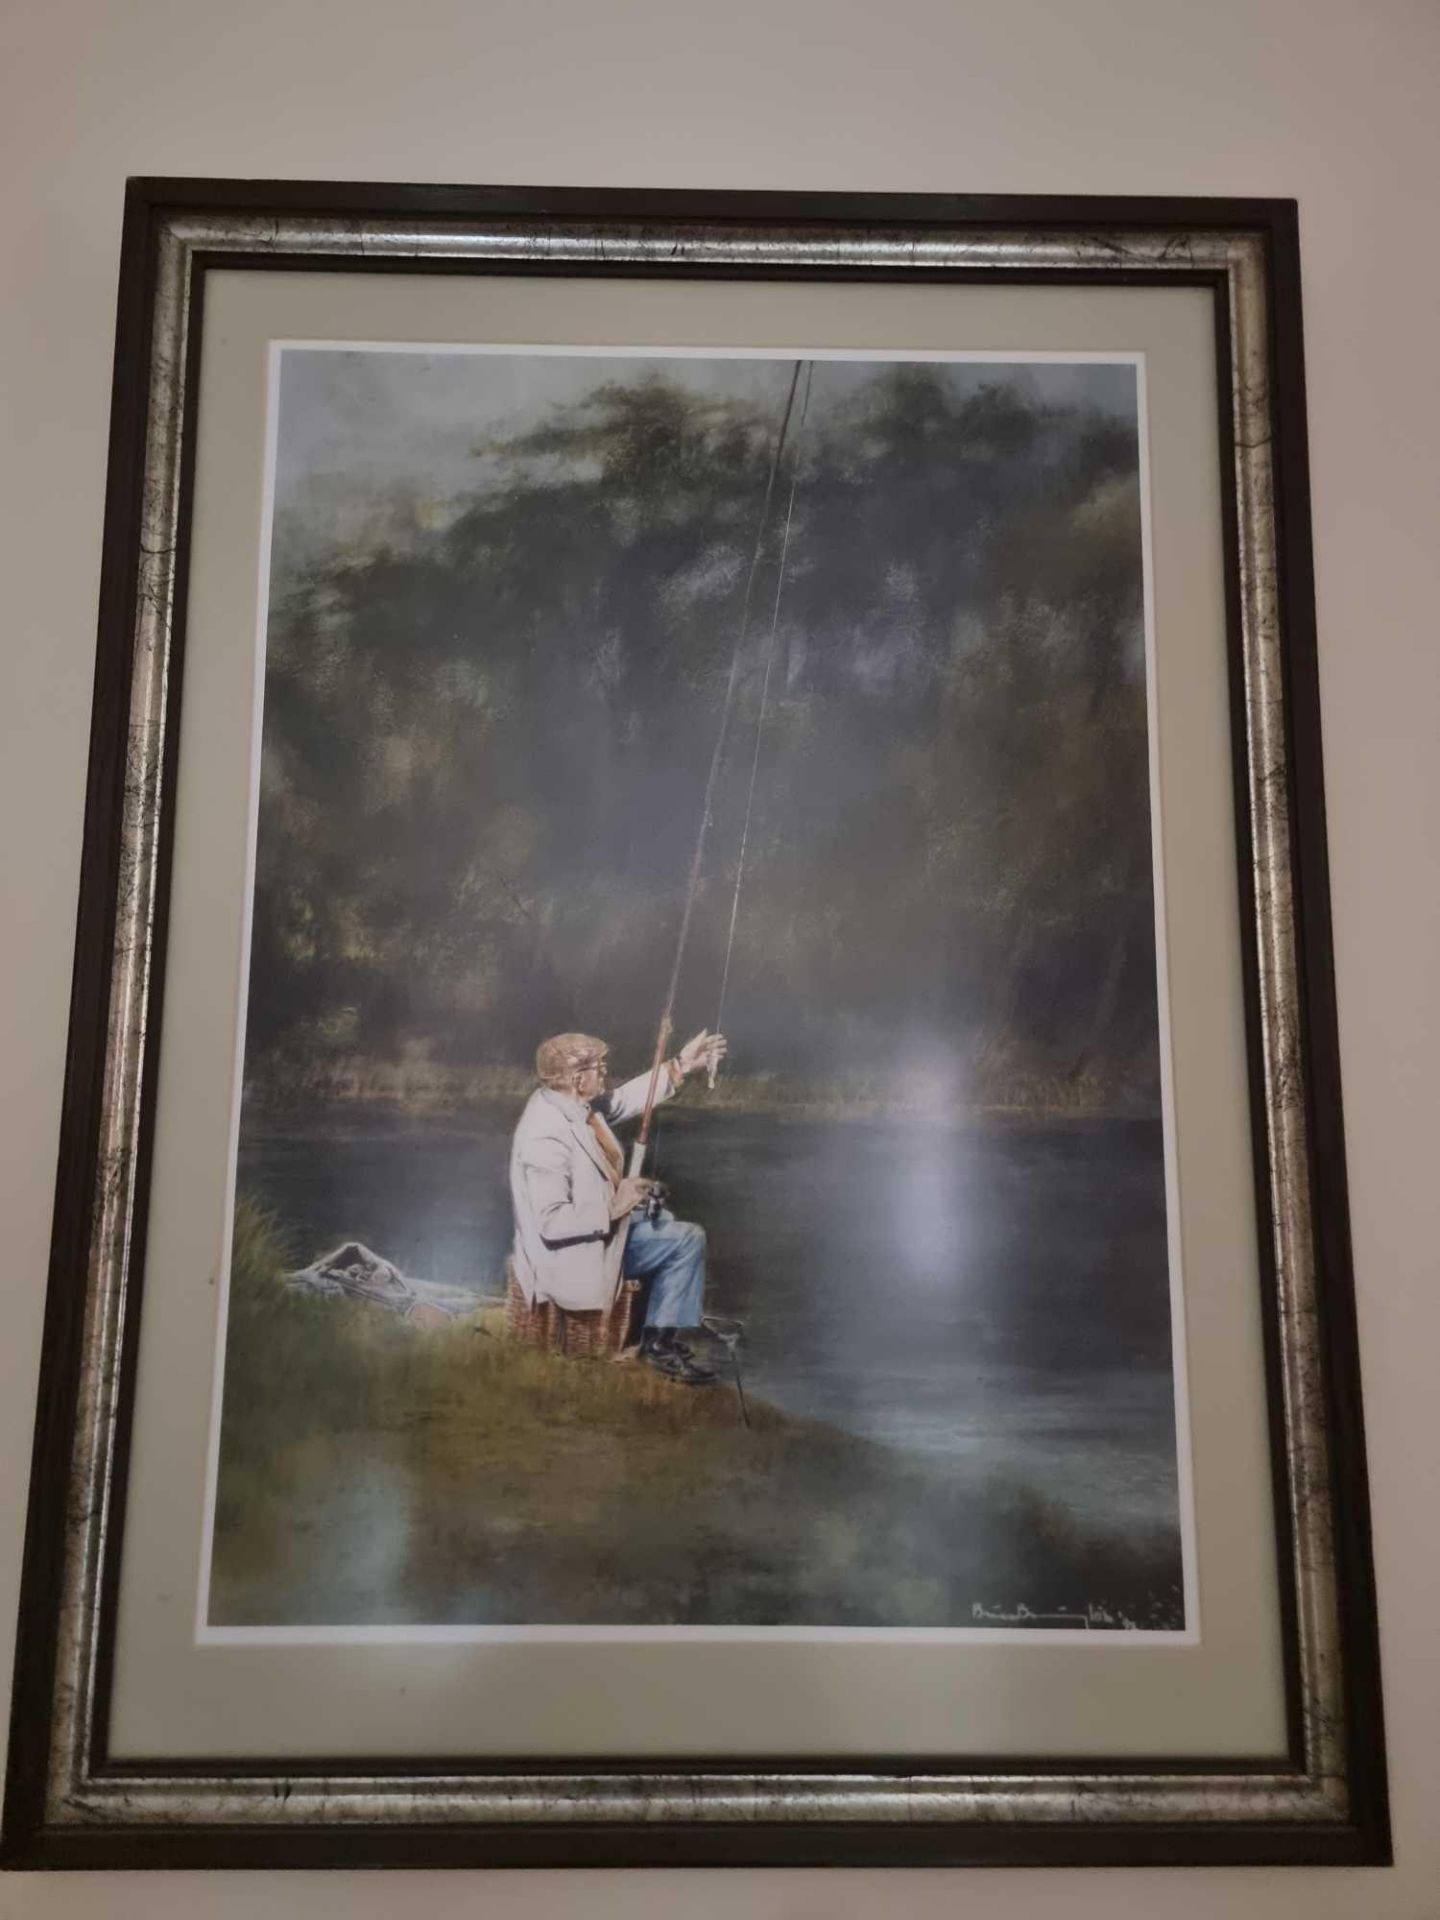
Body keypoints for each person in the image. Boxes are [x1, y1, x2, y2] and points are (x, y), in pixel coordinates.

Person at [509, 1027, 727, 1384]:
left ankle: (657, 1334)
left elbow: (625, 1099)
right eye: (600, 1067)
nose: (605, 1073)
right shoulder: (545, 1135)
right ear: (578, 1078)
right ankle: (659, 1346)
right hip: (570, 1261)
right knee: (687, 1239)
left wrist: (682, 1064)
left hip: (589, 1242)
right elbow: (551, 1223)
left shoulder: (570, 1105)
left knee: (666, 1220)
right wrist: (614, 1207)